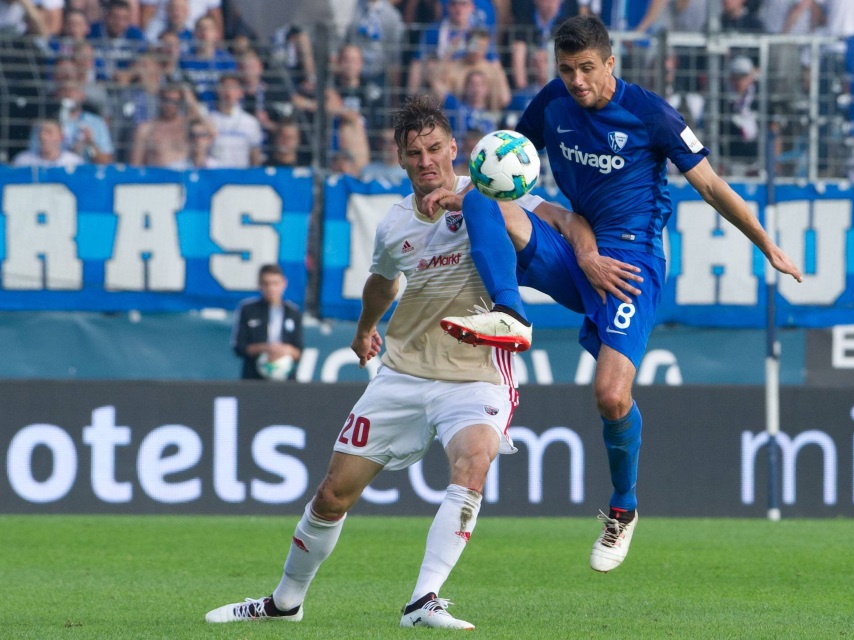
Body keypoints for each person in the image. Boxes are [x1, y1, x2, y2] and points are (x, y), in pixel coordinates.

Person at [205, 94, 624, 628]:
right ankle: (285, 601)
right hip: (402, 373)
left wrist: (588, 256)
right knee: (333, 495)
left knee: (474, 463)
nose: (426, 160)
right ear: (400, 160)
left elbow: (567, 220)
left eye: (434, 148)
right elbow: (382, 283)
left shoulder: (492, 192)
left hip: (475, 372)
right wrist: (364, 331)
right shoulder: (394, 224)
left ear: (454, 148)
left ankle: (423, 600)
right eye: (414, 152)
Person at [431, 14, 802, 573]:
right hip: (578, 248)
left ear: (611, 63)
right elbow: (503, 166)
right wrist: (460, 189)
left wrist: (765, 244)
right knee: (484, 202)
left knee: (610, 396)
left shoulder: (650, 113)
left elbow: (711, 186)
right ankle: (508, 312)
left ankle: (623, 508)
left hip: (631, 263)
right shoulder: (551, 103)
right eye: (566, 69)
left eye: (586, 69)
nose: (577, 81)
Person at [229, 263, 303, 381]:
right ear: (260, 285)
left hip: (286, 379)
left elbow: (299, 351)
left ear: (283, 284)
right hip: (254, 378)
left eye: (275, 283)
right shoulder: (248, 310)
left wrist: (283, 350)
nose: (271, 288)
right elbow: (239, 346)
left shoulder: (293, 312)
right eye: (266, 284)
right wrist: (266, 348)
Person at [13, 118, 84, 168]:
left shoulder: (74, 162)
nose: (43, 136)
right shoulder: (23, 161)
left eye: (49, 132)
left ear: (61, 137)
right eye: (41, 131)